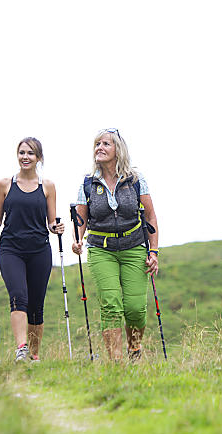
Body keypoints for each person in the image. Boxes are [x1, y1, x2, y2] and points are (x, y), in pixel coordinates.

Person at [72, 128, 159, 362]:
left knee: (135, 309)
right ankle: (116, 364)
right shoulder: (88, 183)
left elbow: (150, 218)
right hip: (101, 250)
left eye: (105, 144)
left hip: (133, 248)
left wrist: (153, 251)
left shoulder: (136, 180)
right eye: (97, 144)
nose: (99, 148)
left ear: (117, 150)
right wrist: (78, 240)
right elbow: (81, 219)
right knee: (111, 306)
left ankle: (134, 350)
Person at [0, 137, 64, 363]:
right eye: (22, 152)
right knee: (19, 297)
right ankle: (21, 348)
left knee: (36, 305)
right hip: (11, 249)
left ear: (38, 158)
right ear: (17, 155)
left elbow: (50, 221)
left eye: (31, 153)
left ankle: (35, 356)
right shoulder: (5, 184)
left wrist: (56, 227)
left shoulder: (47, 186)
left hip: (39, 250)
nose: (25, 157)